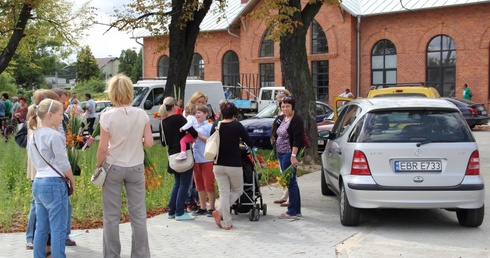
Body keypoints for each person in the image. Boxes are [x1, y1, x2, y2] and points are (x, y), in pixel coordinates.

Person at [96, 74, 153, 257]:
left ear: (112, 93)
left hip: (113, 165)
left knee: (111, 216)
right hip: (136, 166)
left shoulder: (107, 116)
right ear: (130, 92)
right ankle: (141, 254)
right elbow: (149, 143)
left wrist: (99, 166)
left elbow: (103, 148)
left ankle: (112, 255)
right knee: (138, 214)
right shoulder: (142, 114)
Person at [27, 98, 76, 258]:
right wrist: (72, 181)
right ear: (50, 115)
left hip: (39, 182)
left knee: (41, 227)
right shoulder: (54, 136)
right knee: (58, 229)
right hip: (54, 183)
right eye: (60, 114)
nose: (62, 118)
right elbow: (63, 163)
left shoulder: (33, 136)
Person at [25, 89, 61, 253]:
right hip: (45, 171)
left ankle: (42, 247)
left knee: (41, 214)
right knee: (44, 215)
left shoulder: (36, 123)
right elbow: (60, 158)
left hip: (40, 171)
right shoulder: (43, 127)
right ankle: (34, 240)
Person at [211, 102, 254, 230]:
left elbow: (211, 140)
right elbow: (249, 142)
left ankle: (228, 222)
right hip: (234, 164)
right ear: (235, 114)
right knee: (237, 190)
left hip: (218, 164)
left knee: (224, 193)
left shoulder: (216, 125)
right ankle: (219, 211)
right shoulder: (237, 125)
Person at [160, 96, 198, 221]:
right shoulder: (179, 118)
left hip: (172, 155)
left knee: (177, 183)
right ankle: (180, 212)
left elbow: (163, 142)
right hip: (184, 153)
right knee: (184, 184)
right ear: (174, 106)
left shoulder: (162, 122)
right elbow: (194, 132)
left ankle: (171, 211)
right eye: (177, 105)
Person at [273, 96, 304, 219]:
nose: (285, 109)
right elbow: (276, 131)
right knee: (290, 182)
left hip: (288, 153)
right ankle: (296, 210)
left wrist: (293, 155)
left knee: (291, 182)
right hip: (281, 153)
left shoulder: (296, 119)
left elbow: (297, 139)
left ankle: (292, 211)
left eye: (287, 106)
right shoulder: (282, 118)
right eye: (283, 106)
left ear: (293, 107)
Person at [191, 105, 216, 217]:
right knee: (199, 184)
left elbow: (212, 142)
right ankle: (202, 206)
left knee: (208, 184)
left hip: (207, 159)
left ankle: (211, 207)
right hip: (196, 159)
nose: (197, 115)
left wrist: (200, 137)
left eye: (200, 112)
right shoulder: (194, 126)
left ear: (206, 114)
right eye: (196, 113)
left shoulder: (209, 126)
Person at [271, 89, 292, 207]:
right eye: (278, 101)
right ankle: (285, 195)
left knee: (288, 173)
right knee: (282, 172)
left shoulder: (289, 115)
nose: (280, 104)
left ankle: (290, 197)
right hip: (279, 146)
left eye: (281, 101)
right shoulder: (280, 112)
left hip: (287, 148)